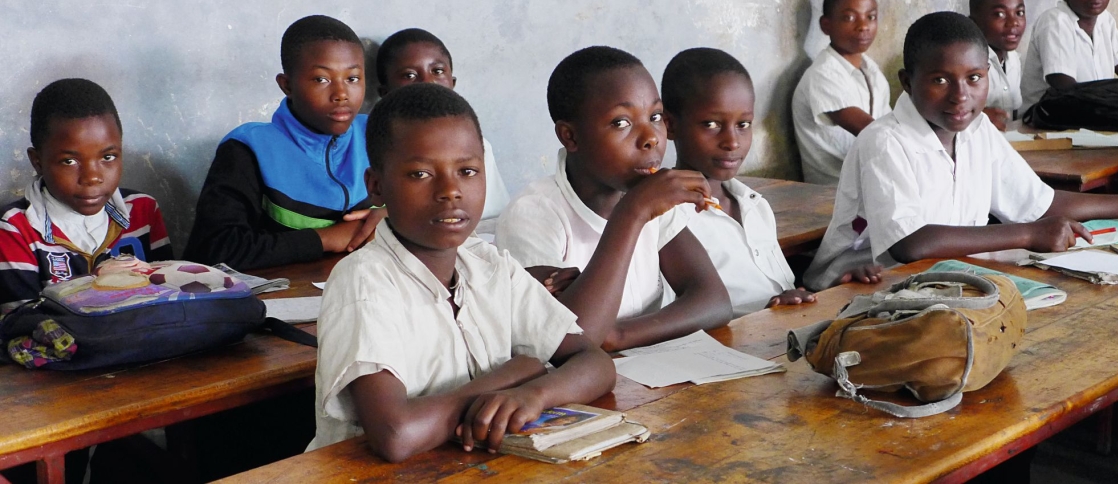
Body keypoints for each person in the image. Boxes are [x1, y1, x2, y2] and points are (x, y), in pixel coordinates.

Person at [310, 83, 616, 461]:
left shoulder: (489, 264)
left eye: (467, 170)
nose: (450, 190)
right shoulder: (364, 283)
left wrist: (534, 393)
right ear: (376, 186)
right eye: (421, 174)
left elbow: (596, 363)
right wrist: (511, 375)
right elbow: (396, 435)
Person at [804, 11, 1118, 291]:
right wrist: (1027, 234)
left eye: (974, 78)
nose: (960, 95)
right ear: (907, 81)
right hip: (857, 285)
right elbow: (911, 244)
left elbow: (1041, 202)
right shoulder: (886, 142)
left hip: (945, 279)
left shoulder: (977, 132)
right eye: (940, 80)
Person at [496, 46, 731, 351]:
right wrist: (633, 212)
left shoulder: (652, 199)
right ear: (571, 137)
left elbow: (713, 300)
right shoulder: (533, 214)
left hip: (653, 370)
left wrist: (616, 335)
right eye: (621, 122)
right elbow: (564, 342)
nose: (651, 138)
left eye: (655, 116)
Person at [663, 48, 880, 316]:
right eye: (711, 124)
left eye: (743, 124)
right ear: (670, 126)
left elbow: (782, 289)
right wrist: (766, 311)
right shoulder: (667, 218)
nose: (732, 142)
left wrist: (833, 287)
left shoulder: (754, 205)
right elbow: (681, 315)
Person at [184, 15, 382, 270]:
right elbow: (212, 250)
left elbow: (439, 207)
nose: (341, 94)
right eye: (322, 79)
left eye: (352, 78)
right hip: (284, 302)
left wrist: (391, 218)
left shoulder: (381, 136)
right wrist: (325, 239)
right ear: (287, 85)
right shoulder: (249, 149)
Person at [0, 78, 172, 312]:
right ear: (37, 161)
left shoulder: (142, 211)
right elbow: (24, 328)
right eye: (69, 161)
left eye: (108, 157)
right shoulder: (16, 229)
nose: (92, 177)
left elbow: (169, 296)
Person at [374, 28, 511, 219]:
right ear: (384, 92)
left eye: (437, 71)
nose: (427, 82)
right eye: (409, 75)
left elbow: (490, 220)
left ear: (452, 83)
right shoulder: (375, 146)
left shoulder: (474, 146)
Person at [792, 0, 891, 185]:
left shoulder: (870, 70)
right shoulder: (823, 73)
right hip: (834, 191)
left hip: (868, 181)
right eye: (849, 17)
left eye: (870, 17)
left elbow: (888, 125)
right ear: (826, 25)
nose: (863, 26)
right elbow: (870, 130)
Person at [968, 0, 1026, 130]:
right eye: (1000, 14)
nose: (1014, 22)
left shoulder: (1013, 59)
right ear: (974, 23)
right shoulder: (968, 63)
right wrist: (979, 116)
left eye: (1019, 13)